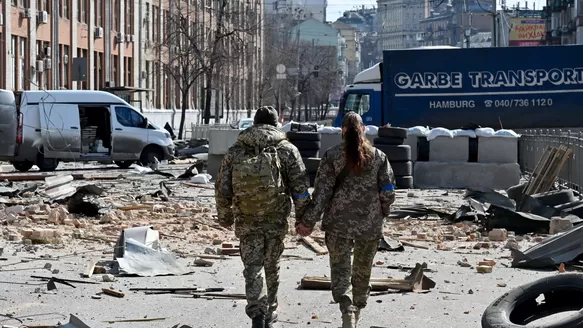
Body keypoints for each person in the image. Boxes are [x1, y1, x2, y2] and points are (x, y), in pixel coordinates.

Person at [296, 112, 396, 328]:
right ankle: (356, 311)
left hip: (338, 225)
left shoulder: (331, 156)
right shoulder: (379, 157)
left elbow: (322, 194)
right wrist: (382, 213)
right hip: (369, 227)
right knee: (362, 271)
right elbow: (388, 192)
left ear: (342, 131)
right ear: (364, 130)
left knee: (340, 271)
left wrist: (307, 222)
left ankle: (347, 310)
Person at [215, 106, 311, 328]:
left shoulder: (236, 150)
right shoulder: (286, 149)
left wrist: (225, 216)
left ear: (254, 124)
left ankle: (257, 312)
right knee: (271, 264)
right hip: (275, 217)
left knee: (252, 266)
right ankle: (270, 312)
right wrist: (303, 219)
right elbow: (300, 188)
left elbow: (222, 188)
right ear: (276, 124)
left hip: (246, 217)